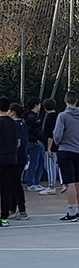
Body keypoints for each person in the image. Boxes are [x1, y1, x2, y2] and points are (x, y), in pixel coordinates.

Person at [52, 91, 79, 222]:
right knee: (78, 181)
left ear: (65, 100)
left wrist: (58, 143)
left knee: (69, 183)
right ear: (77, 100)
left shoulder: (62, 116)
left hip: (65, 150)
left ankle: (71, 211)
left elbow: (57, 133)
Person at [0, 97, 20, 228]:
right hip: (12, 159)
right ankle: (4, 218)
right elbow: (18, 143)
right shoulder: (14, 123)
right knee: (6, 189)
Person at [8, 103, 29, 221]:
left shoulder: (15, 125)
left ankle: (22, 210)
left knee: (15, 184)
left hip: (16, 158)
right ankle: (13, 209)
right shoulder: (23, 124)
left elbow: (18, 142)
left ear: (13, 112)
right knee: (14, 184)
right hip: (22, 157)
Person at [38, 98, 60, 196]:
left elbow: (50, 134)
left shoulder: (49, 118)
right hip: (60, 145)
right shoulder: (59, 117)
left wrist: (48, 148)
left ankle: (51, 186)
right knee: (57, 165)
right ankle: (63, 184)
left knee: (49, 166)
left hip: (51, 145)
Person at [23, 98, 45, 192]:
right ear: (36, 105)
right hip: (33, 142)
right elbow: (29, 130)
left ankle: (35, 182)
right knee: (34, 162)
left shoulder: (31, 116)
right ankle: (31, 183)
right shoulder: (31, 117)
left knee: (39, 162)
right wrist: (34, 139)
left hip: (35, 141)